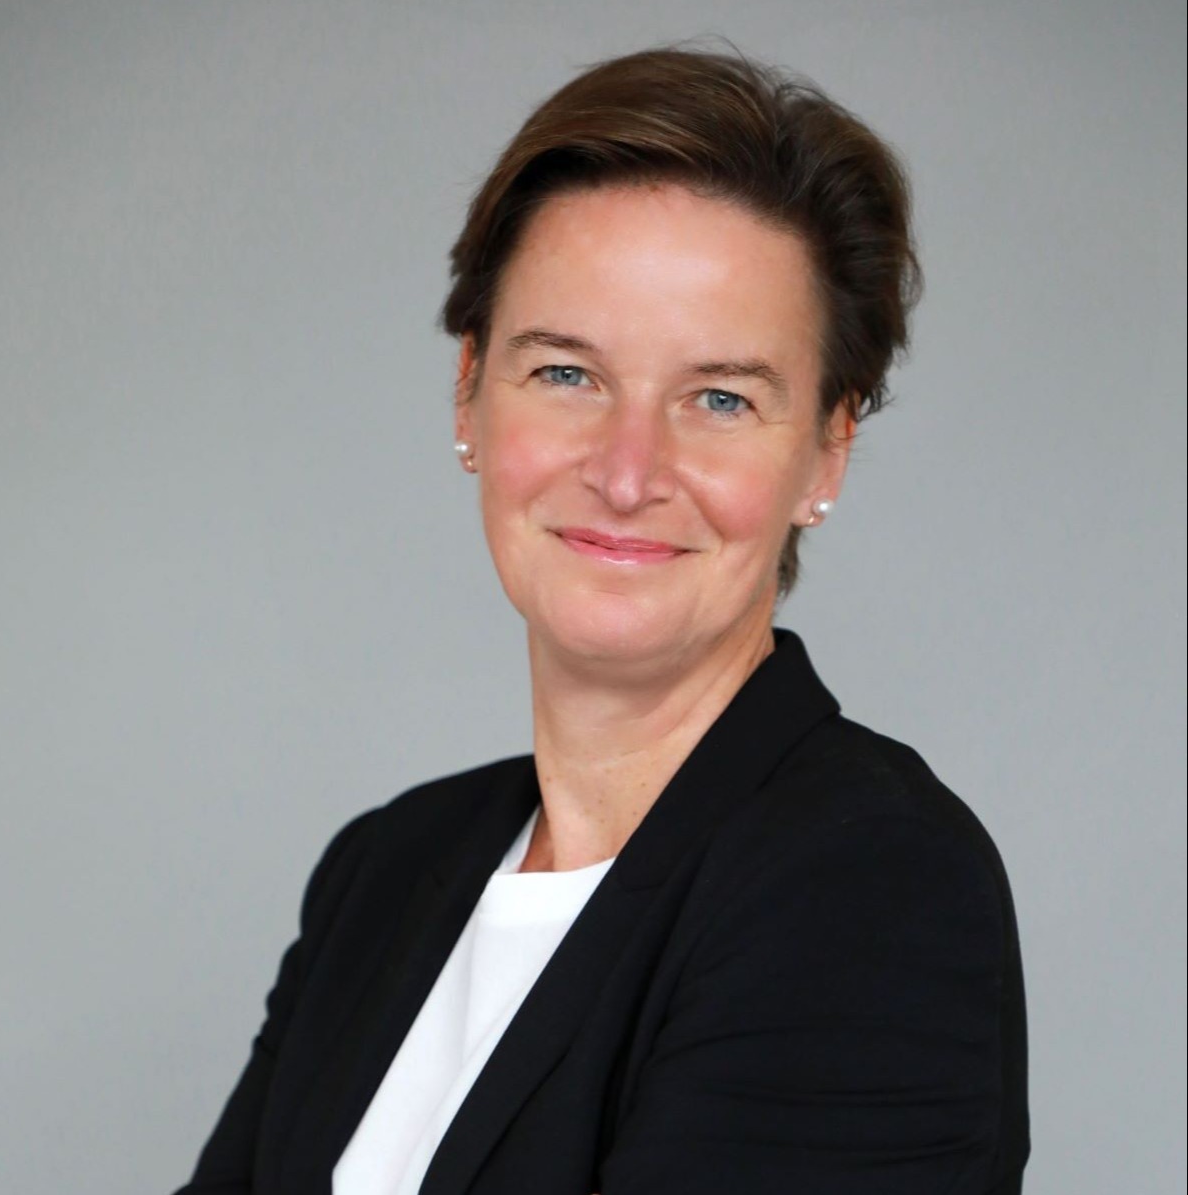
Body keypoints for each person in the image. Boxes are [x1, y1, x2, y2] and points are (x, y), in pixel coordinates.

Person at [176, 46, 1029, 1195]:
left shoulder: (871, 885)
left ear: (826, 450)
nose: (628, 474)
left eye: (719, 397)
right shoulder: (386, 871)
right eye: (566, 374)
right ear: (469, 391)